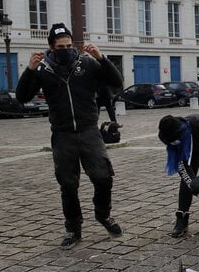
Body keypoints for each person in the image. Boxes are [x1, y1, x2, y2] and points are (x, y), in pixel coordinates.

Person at [16, 23, 124, 250]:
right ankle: (73, 228)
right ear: (51, 48)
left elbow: (116, 82)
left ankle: (103, 214)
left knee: (103, 176)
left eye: (68, 45)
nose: (65, 49)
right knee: (68, 184)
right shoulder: (43, 69)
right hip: (63, 134)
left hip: (89, 130)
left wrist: (102, 58)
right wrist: (29, 70)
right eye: (60, 46)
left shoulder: (86, 63)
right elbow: (22, 97)